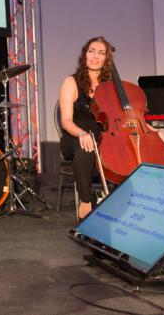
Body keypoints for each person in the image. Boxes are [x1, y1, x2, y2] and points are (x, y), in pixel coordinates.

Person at [58, 36, 114, 219]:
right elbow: (66, 121)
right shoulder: (71, 82)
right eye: (91, 51)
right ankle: (85, 202)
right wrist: (81, 133)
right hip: (74, 134)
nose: (95, 56)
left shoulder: (111, 85)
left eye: (101, 53)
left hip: (101, 135)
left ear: (106, 58)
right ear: (85, 55)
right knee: (87, 148)